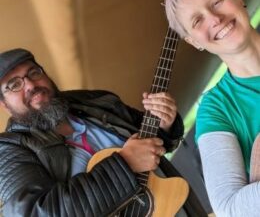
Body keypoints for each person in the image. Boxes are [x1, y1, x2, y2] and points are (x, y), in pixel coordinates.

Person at [0, 48, 184, 216]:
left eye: (34, 72)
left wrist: (165, 125)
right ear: (3, 104)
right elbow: (36, 213)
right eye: (14, 84)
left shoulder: (96, 100)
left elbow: (156, 144)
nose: (30, 85)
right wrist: (126, 164)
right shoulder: (8, 148)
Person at [165, 0, 260, 216]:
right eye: (197, 21)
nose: (214, 18)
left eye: (217, 2)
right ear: (193, 41)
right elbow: (229, 207)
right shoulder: (216, 108)